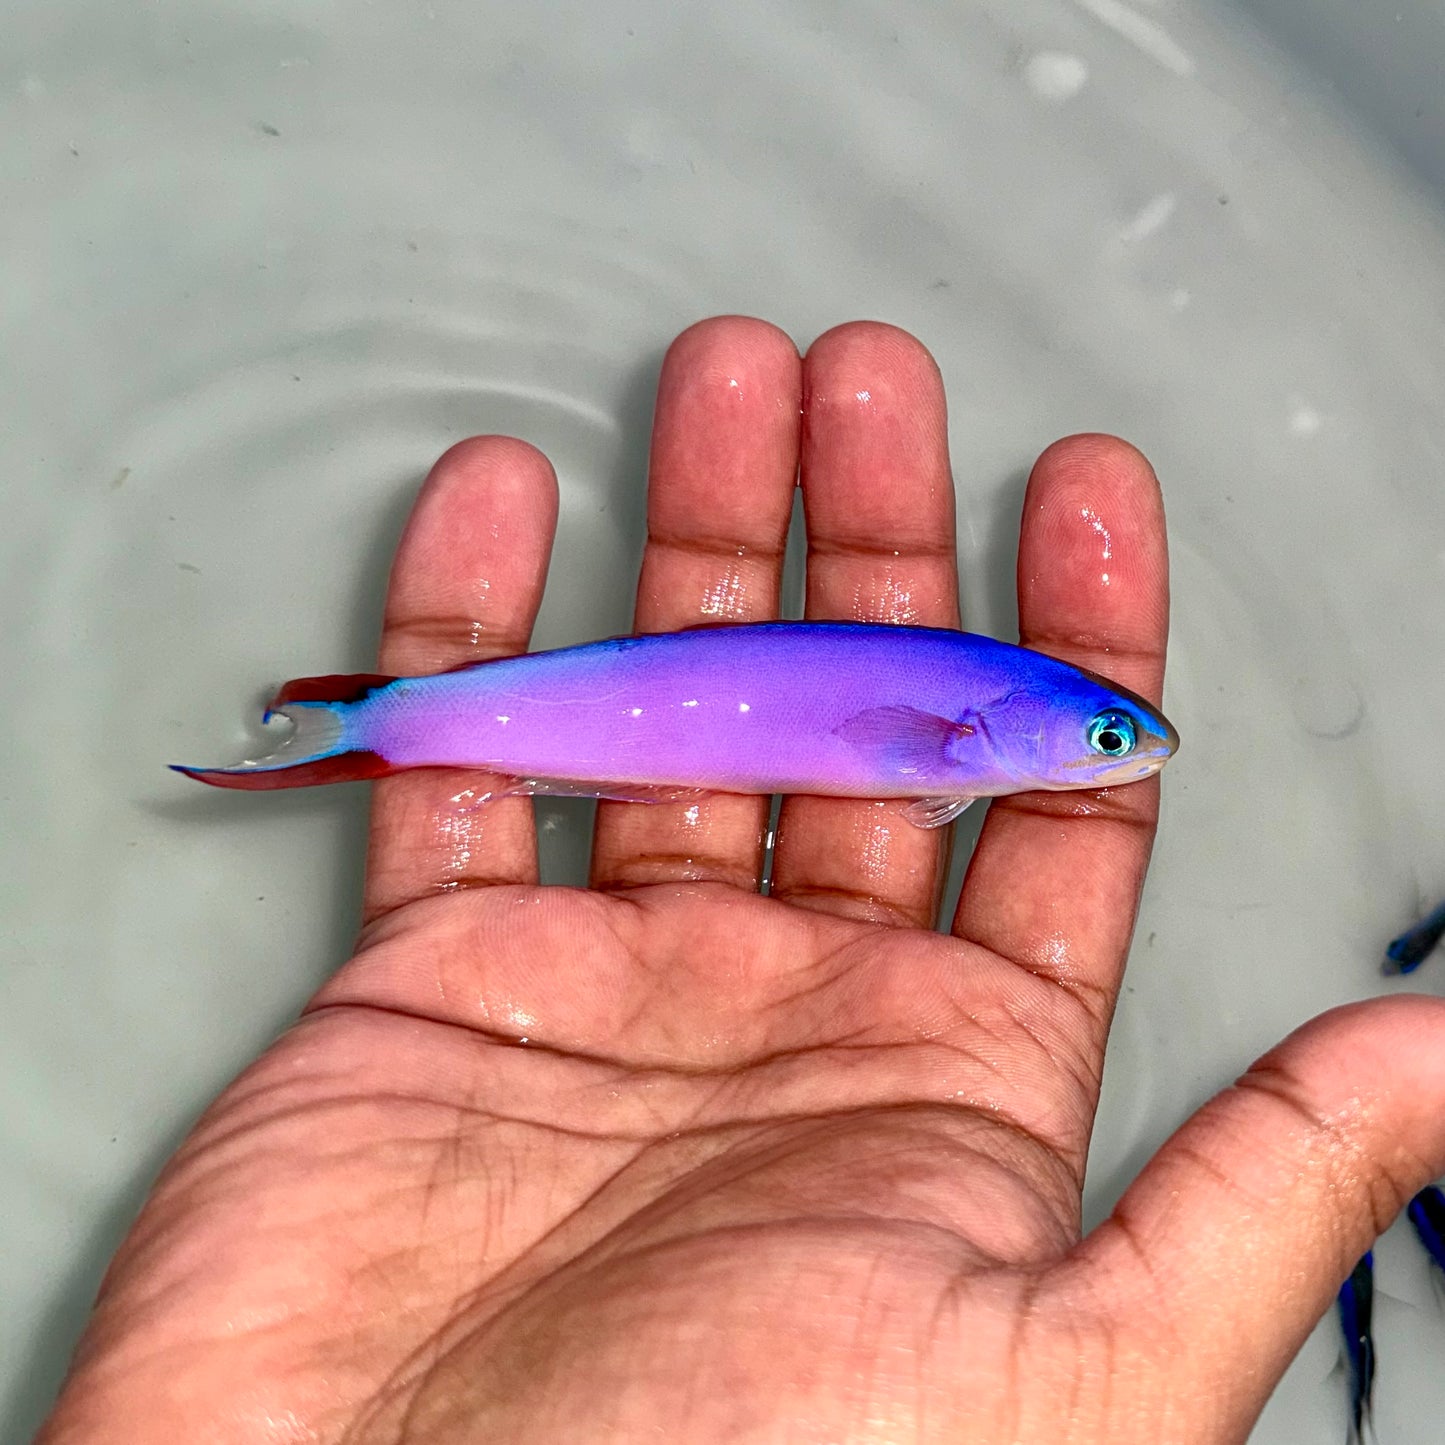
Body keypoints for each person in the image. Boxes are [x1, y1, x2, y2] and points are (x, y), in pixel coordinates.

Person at [37, 319, 1445, 1444]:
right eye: (1099, 737)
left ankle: (366, 722)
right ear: (1004, 733)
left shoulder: (979, 737)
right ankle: (373, 720)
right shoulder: (967, 729)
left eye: (1109, 742)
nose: (1118, 757)